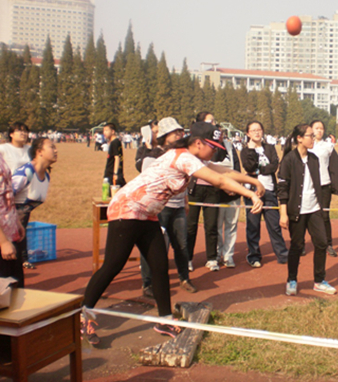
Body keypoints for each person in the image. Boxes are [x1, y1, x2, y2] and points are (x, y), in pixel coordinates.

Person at [81, 121, 264, 345]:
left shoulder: (194, 158)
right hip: (127, 209)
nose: (216, 151)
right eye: (213, 146)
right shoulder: (184, 157)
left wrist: (252, 180)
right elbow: (218, 180)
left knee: (159, 267)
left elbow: (223, 171)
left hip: (147, 215)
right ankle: (84, 314)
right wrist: (251, 195)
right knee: (113, 266)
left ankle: (164, 320)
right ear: (198, 143)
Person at [139, 117, 196, 298]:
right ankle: (148, 283)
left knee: (181, 244)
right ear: (164, 136)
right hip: (160, 208)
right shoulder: (153, 156)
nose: (180, 134)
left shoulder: (183, 154)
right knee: (155, 247)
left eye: (180, 131)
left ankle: (184, 278)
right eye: (175, 132)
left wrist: (185, 200)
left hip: (178, 206)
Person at [278, 123, 336, 296]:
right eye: (310, 135)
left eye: (313, 135)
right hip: (296, 210)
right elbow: (283, 188)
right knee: (297, 246)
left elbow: (317, 184)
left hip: (314, 209)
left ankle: (319, 280)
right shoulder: (288, 160)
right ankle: (292, 280)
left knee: (321, 243)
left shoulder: (314, 159)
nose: (313, 138)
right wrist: (283, 213)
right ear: (299, 138)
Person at [241, 121, 288, 267]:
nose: (256, 132)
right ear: (248, 133)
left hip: (270, 191)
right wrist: (251, 151)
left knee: (274, 225)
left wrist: (258, 170)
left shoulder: (270, 148)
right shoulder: (245, 150)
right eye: (253, 130)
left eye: (259, 130)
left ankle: (282, 254)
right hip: (252, 192)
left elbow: (274, 166)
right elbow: (248, 166)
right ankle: (254, 256)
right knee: (253, 225)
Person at [186, 111, 227, 272]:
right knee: (191, 226)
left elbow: (220, 158)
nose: (214, 124)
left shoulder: (215, 141)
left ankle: (212, 258)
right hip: (194, 188)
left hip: (212, 188)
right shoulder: (192, 145)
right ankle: (188, 258)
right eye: (210, 121)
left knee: (211, 225)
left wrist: (220, 142)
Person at [12, 138, 57, 279]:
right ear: (39, 152)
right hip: (6, 228)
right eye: (52, 147)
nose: (56, 150)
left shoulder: (46, 176)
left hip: (18, 228)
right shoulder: (25, 173)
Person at [0, 122, 33, 270]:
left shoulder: (29, 150)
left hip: (21, 195)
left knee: (20, 225)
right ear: (11, 134)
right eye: (19, 131)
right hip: (8, 194)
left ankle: (21, 257)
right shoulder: (4, 149)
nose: (23, 134)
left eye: (25, 131)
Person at [309, 120, 338, 257]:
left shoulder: (328, 146)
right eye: (316, 128)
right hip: (308, 185)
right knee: (306, 215)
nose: (319, 131)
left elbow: (336, 164)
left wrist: (334, 184)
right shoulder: (306, 145)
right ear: (311, 130)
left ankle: (328, 244)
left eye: (321, 128)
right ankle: (302, 245)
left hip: (324, 185)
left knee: (324, 216)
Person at [215, 130, 242, 268]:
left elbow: (237, 168)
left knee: (231, 226)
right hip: (217, 195)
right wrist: (223, 187)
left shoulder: (230, 146)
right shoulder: (210, 149)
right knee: (217, 227)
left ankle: (228, 255)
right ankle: (217, 254)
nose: (219, 136)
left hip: (233, 194)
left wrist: (234, 187)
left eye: (221, 134)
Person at [0, 153, 26, 287]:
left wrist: (16, 220)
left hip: (9, 231)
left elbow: (6, 192)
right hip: (2, 238)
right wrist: (3, 241)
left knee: (16, 289)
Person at [102, 123, 125, 190]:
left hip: (112, 174)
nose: (104, 132)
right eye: (104, 131)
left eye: (106, 130)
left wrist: (115, 173)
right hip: (113, 174)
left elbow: (117, 158)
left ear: (112, 131)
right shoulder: (114, 142)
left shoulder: (114, 142)